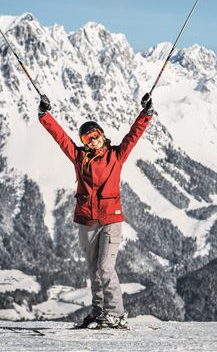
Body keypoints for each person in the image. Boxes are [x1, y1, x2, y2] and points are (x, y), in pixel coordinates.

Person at [37, 92, 155, 329]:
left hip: (111, 219)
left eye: (96, 135)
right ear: (83, 140)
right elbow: (60, 138)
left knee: (105, 267)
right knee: (94, 269)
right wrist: (44, 115)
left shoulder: (116, 155)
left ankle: (116, 313)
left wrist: (146, 114)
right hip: (87, 220)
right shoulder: (79, 157)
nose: (92, 140)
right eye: (87, 137)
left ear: (102, 135)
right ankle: (99, 311)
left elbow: (133, 136)